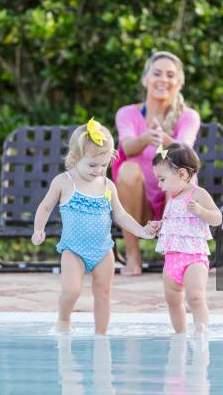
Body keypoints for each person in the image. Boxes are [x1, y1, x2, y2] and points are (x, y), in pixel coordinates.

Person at [31, 119, 156, 334]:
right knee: (71, 290)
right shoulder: (64, 181)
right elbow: (45, 206)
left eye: (104, 165)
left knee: (103, 292)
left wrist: (141, 230)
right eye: (92, 165)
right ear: (74, 158)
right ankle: (63, 321)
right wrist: (38, 229)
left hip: (102, 250)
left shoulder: (107, 186)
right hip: (73, 250)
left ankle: (101, 334)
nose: (98, 170)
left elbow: (121, 215)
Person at [112, 51, 201, 276]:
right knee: (128, 168)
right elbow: (127, 146)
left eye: (170, 75)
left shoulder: (188, 116)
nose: (163, 79)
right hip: (138, 206)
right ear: (145, 79)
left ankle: (174, 257)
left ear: (178, 83)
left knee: (178, 173)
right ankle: (133, 258)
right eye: (157, 73)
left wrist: (166, 140)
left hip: (175, 202)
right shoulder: (127, 113)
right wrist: (146, 138)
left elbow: (186, 151)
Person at [149, 143, 222, 335]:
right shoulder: (172, 199)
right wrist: (159, 226)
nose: (159, 185)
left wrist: (201, 211)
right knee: (173, 301)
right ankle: (180, 335)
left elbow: (217, 217)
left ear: (181, 174)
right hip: (171, 261)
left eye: (162, 179)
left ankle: (201, 329)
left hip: (194, 259)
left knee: (195, 297)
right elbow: (175, 225)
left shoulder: (198, 194)